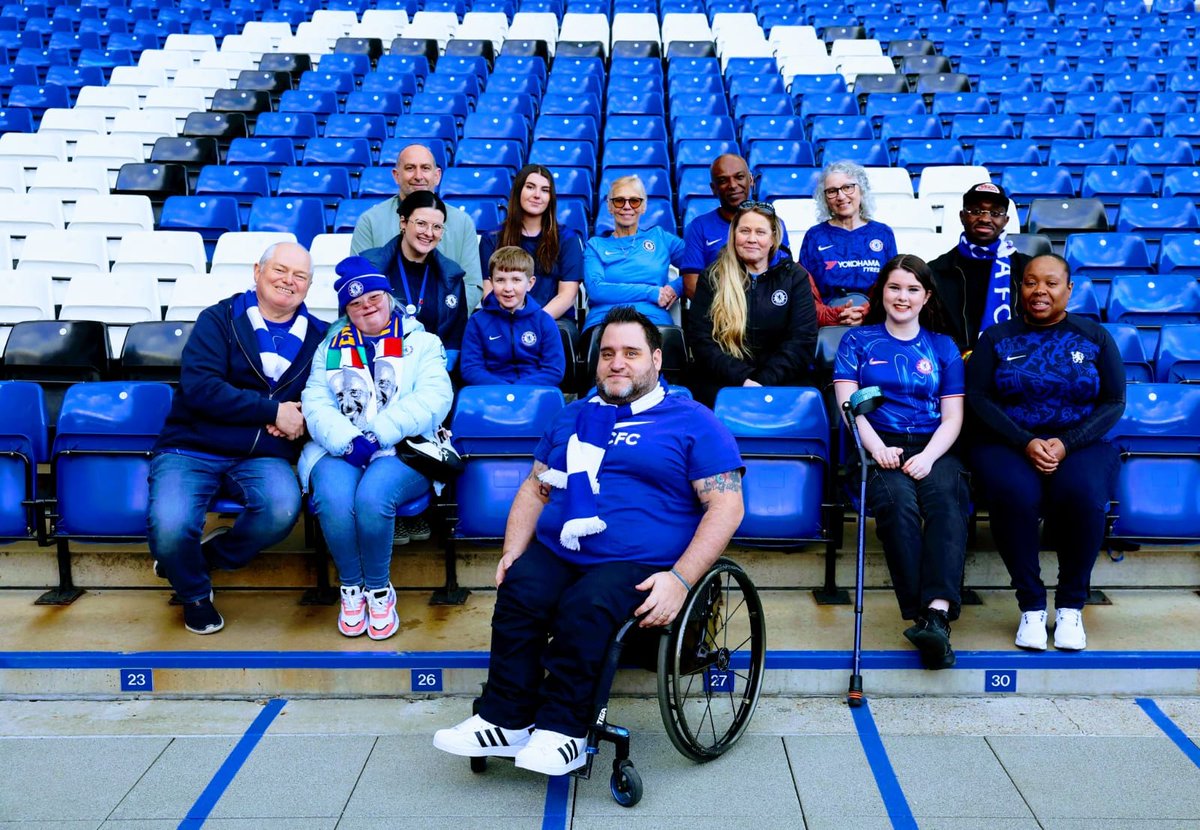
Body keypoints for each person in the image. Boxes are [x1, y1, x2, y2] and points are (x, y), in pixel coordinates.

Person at [433, 306, 744, 776]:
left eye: (631, 353)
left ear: (657, 361)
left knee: (587, 603)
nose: (617, 363)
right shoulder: (572, 415)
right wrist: (513, 552)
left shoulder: (692, 420)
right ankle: (505, 719)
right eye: (607, 354)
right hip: (563, 550)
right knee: (521, 588)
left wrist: (680, 579)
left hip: (640, 561)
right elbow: (535, 487)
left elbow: (727, 506)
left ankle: (565, 731)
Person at [147, 242, 329, 634]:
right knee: (171, 527)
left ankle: (204, 557)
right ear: (257, 271)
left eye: (300, 276)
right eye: (280, 270)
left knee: (281, 510)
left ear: (309, 286)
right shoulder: (220, 319)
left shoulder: (320, 337)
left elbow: (326, 398)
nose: (289, 281)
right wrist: (273, 411)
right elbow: (201, 388)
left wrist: (301, 419)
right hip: (191, 447)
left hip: (261, 454)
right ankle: (194, 594)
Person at [966, 254, 1125, 652]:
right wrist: (1025, 441)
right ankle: (1032, 606)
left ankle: (1071, 605)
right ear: (1020, 288)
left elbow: (1114, 401)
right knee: (1015, 495)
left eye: (1051, 283)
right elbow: (979, 399)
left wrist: (1066, 443)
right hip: (1009, 442)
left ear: (1069, 290)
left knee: (1086, 496)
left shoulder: (1095, 336)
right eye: (1031, 282)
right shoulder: (997, 338)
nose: (1040, 291)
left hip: (1080, 442)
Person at [299, 257, 453, 640]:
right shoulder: (330, 347)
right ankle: (352, 589)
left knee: (372, 498)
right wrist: (347, 441)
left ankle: (380, 590)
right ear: (346, 310)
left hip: (404, 447)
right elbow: (316, 400)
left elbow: (435, 397)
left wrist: (377, 435)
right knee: (333, 499)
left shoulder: (421, 341)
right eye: (355, 304)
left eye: (373, 297)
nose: (366, 307)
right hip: (342, 447)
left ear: (387, 296)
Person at [833, 254, 969, 669]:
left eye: (912, 289)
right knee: (898, 507)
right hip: (877, 445)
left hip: (933, 446)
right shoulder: (856, 341)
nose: (902, 297)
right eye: (894, 287)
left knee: (948, 503)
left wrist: (928, 457)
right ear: (882, 292)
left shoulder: (942, 346)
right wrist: (878, 450)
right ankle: (922, 614)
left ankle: (937, 614)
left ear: (926, 296)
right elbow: (849, 407)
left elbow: (953, 417)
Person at [687, 201, 818, 408]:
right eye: (744, 231)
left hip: (782, 381)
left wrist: (762, 382)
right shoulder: (712, 277)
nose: (751, 239)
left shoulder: (795, 277)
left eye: (760, 232)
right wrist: (744, 379)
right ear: (733, 235)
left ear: (773, 237)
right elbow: (701, 340)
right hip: (723, 381)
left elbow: (802, 341)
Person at [349, 143, 483, 313]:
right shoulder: (370, 221)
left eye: (425, 168)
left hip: (444, 326)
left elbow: (472, 285)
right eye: (410, 168)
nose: (418, 176)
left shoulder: (462, 222)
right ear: (396, 175)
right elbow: (358, 282)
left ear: (437, 175)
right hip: (385, 327)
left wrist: (444, 318)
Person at [360, 190, 468, 370]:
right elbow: (352, 325)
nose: (429, 233)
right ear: (403, 222)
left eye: (437, 227)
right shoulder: (368, 268)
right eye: (421, 224)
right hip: (376, 366)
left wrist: (433, 371)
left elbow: (454, 340)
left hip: (433, 371)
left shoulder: (452, 277)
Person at [928, 182, 1031, 353]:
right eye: (975, 211)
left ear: (1005, 221)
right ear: (962, 216)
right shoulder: (937, 270)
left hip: (1013, 364)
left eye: (995, 213)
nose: (985, 218)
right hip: (954, 365)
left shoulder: (1025, 268)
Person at [798, 160, 897, 327]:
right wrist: (834, 315)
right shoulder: (814, 236)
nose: (841, 196)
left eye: (848, 187)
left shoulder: (882, 233)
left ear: (862, 190)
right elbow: (806, 293)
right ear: (825, 199)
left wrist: (868, 312)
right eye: (832, 191)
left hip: (876, 323)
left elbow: (893, 285)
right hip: (829, 326)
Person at [479, 164, 583, 321]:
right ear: (518, 191)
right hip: (502, 318)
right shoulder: (492, 238)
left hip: (552, 321)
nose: (537, 195)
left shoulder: (568, 239)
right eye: (530, 187)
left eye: (545, 190)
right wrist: (513, 321)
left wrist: (533, 322)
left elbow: (567, 295)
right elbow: (488, 291)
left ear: (551, 198)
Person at [679, 153, 791, 299]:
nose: (732, 185)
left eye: (739, 177)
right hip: (719, 312)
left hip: (768, 311)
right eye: (723, 180)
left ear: (751, 180)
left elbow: (784, 277)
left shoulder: (774, 224)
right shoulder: (699, 227)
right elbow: (691, 286)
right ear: (713, 188)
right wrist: (728, 310)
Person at [582, 174, 685, 332]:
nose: (627, 206)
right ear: (610, 206)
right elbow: (596, 290)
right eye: (619, 200)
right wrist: (651, 292)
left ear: (643, 207)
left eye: (635, 201)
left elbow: (700, 266)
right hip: (605, 321)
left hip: (654, 322)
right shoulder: (595, 245)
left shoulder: (660, 238)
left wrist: (677, 287)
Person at [460, 246, 566, 387]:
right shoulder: (477, 322)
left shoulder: (544, 321)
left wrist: (518, 390)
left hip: (534, 394)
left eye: (516, 280)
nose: (508, 288)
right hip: (491, 394)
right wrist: (505, 391)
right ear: (491, 282)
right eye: (500, 280)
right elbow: (470, 368)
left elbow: (554, 370)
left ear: (530, 283)